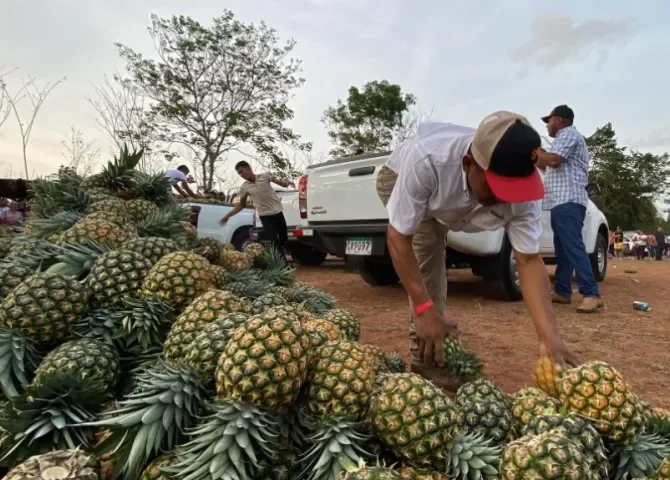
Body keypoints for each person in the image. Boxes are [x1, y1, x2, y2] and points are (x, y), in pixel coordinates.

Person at [377, 111, 580, 389]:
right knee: (429, 252)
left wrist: (550, 335)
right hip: (398, 176)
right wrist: (425, 308)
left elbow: (529, 261)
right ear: (468, 164)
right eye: (497, 187)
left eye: (514, 189)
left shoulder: (524, 193)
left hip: (448, 198)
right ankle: (425, 360)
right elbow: (398, 238)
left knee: (436, 243)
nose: (505, 199)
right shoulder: (427, 160)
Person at [536, 105, 604, 313]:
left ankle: (591, 293)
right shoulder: (563, 140)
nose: (547, 125)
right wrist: (538, 155)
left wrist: (532, 154)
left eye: (549, 120)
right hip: (561, 201)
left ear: (559, 120)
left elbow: (554, 161)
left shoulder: (568, 134)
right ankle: (563, 291)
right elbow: (547, 163)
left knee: (573, 246)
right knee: (564, 249)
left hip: (568, 200)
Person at [219, 161, 295, 255]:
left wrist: (287, 183)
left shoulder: (265, 176)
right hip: (265, 216)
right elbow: (241, 205)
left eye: (242, 171)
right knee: (273, 240)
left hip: (277, 212)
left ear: (249, 168)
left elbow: (281, 183)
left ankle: (283, 250)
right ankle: (281, 263)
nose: (241, 175)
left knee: (284, 237)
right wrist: (227, 216)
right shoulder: (244, 187)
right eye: (239, 173)